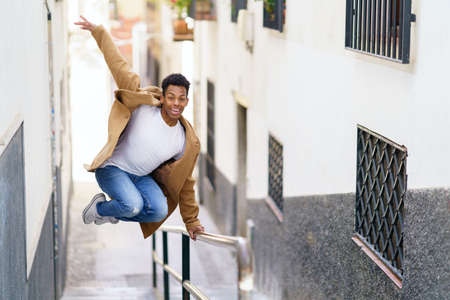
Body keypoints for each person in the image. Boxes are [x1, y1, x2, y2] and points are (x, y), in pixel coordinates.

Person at [74, 16, 205, 240]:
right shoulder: (143, 107)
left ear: (186, 102)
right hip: (113, 169)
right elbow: (120, 67)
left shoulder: (184, 141)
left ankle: (117, 209)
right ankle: (100, 209)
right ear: (162, 98)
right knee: (133, 206)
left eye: (181, 99)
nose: (176, 103)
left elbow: (186, 182)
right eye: (171, 97)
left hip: (141, 178)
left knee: (159, 211)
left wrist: (191, 221)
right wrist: (100, 33)